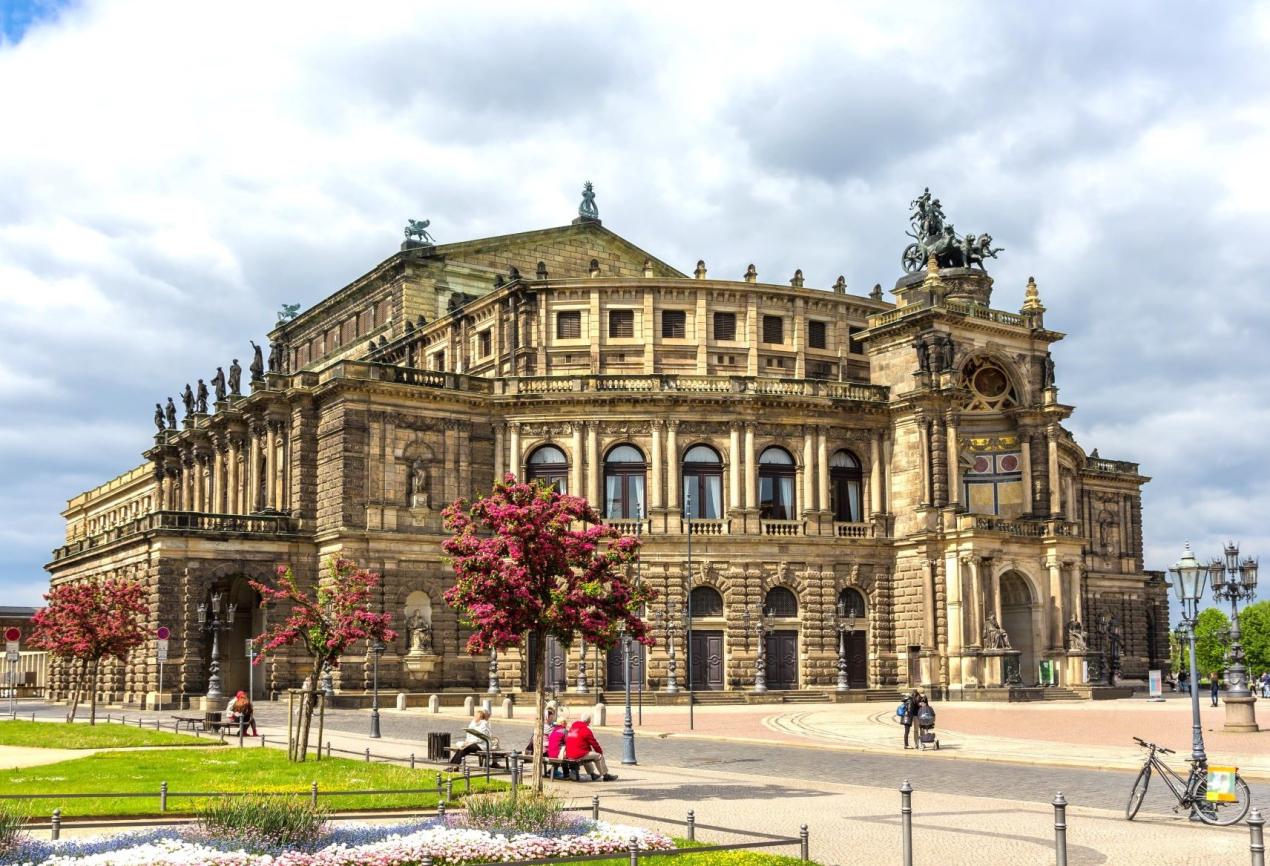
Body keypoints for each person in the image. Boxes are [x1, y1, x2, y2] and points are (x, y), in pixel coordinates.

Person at [564, 711, 617, 781]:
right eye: (589, 722)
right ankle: (605, 775)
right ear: (588, 721)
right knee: (598, 756)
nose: (589, 723)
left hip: (569, 753)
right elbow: (594, 744)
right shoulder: (586, 730)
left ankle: (592, 774)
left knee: (586, 754)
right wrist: (600, 752)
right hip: (577, 754)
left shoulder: (572, 728)